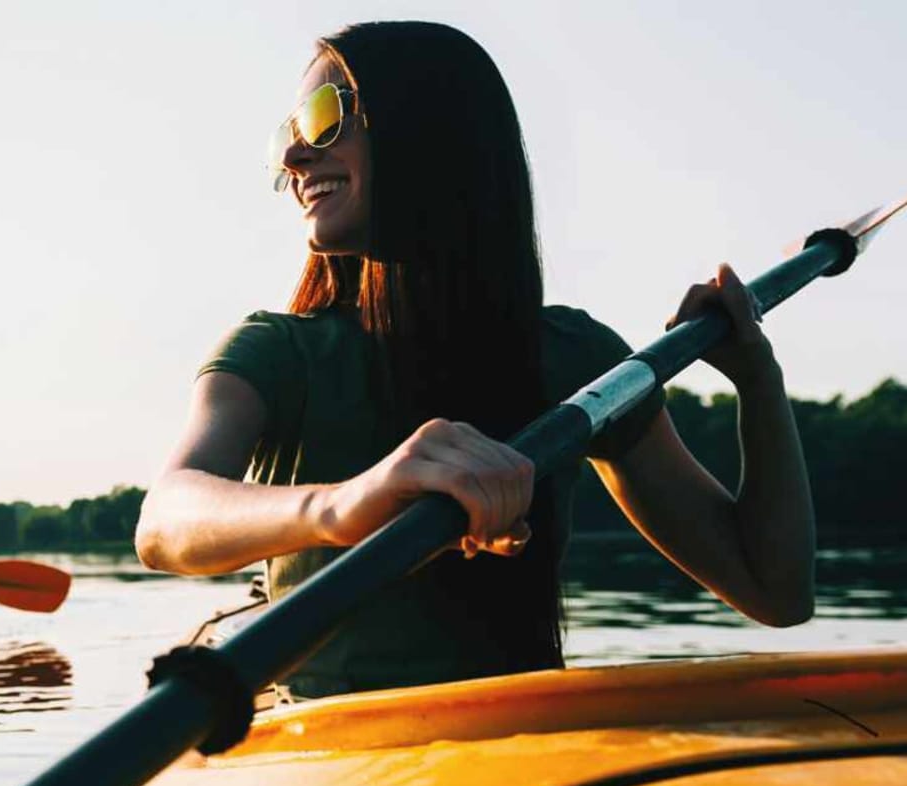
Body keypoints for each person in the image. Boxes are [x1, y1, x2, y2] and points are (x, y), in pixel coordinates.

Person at [134, 21, 815, 700]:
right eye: (291, 134)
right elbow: (163, 524)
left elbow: (775, 591)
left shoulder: (576, 360)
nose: (296, 157)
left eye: (324, 118)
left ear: (429, 133)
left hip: (518, 744)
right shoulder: (276, 352)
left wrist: (758, 379)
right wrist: (344, 505)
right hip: (320, 753)